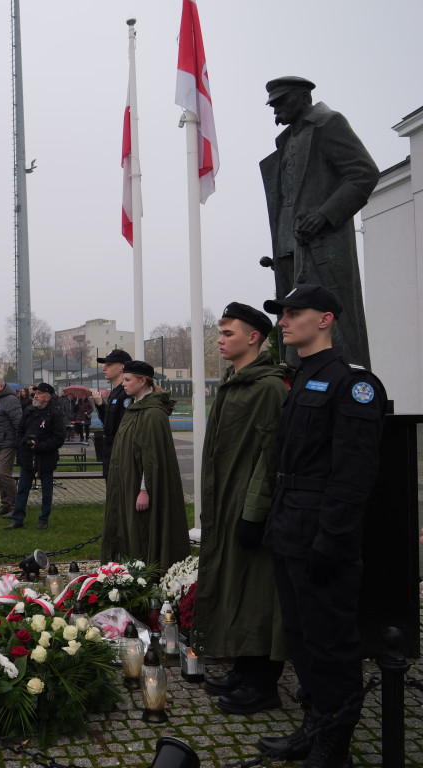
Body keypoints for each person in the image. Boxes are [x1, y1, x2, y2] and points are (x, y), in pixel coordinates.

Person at [256, 285, 386, 766]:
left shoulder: (353, 383)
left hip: (321, 533)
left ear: (325, 319)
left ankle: (334, 746)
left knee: (330, 642)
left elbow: (354, 475)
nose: (284, 322)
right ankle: (313, 725)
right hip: (289, 526)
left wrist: (331, 539)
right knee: (302, 637)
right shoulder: (303, 376)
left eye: (294, 313)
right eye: (282, 314)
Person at [191, 303, 288, 716]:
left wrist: (254, 512)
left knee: (259, 591)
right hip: (227, 504)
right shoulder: (236, 382)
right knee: (237, 586)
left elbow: (272, 457)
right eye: (220, 332)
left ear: (253, 338)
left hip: (250, 509)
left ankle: (263, 684)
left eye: (228, 333)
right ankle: (245, 669)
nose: (219, 339)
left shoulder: (268, 388)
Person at [260, 76, 379, 368]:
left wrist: (325, 215)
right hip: (287, 244)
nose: (276, 110)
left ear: (303, 97)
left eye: (281, 102)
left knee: (328, 317)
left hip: (322, 241)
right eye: (273, 105)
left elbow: (364, 173)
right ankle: (297, 377)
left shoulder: (328, 123)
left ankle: (343, 378)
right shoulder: (286, 141)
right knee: (293, 318)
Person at [100, 360, 190, 569]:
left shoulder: (153, 413)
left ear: (142, 381)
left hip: (141, 487)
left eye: (128, 380)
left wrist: (144, 489)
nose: (123, 384)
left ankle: (144, 572)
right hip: (127, 481)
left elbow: (152, 457)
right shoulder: (135, 408)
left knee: (142, 529)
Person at [4, 382, 66, 531]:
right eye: (35, 393)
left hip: (46, 457)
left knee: (46, 491)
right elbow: (20, 430)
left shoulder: (55, 414)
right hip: (27, 456)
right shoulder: (29, 411)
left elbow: (58, 439)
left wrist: (38, 446)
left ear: (47, 397)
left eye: (39, 393)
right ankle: (18, 519)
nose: (35, 396)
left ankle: (43, 519)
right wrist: (22, 444)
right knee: (22, 489)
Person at [92, 349, 132, 479]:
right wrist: (100, 405)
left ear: (122, 368)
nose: (104, 368)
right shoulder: (115, 393)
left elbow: (124, 429)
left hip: (120, 454)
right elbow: (109, 423)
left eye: (109, 365)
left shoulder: (126, 394)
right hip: (111, 452)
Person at [0, 378, 23, 519]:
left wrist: (19, 443)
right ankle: (5, 504)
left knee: (4, 474)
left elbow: (18, 422)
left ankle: (16, 506)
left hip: (8, 443)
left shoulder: (11, 400)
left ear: (1, 386)